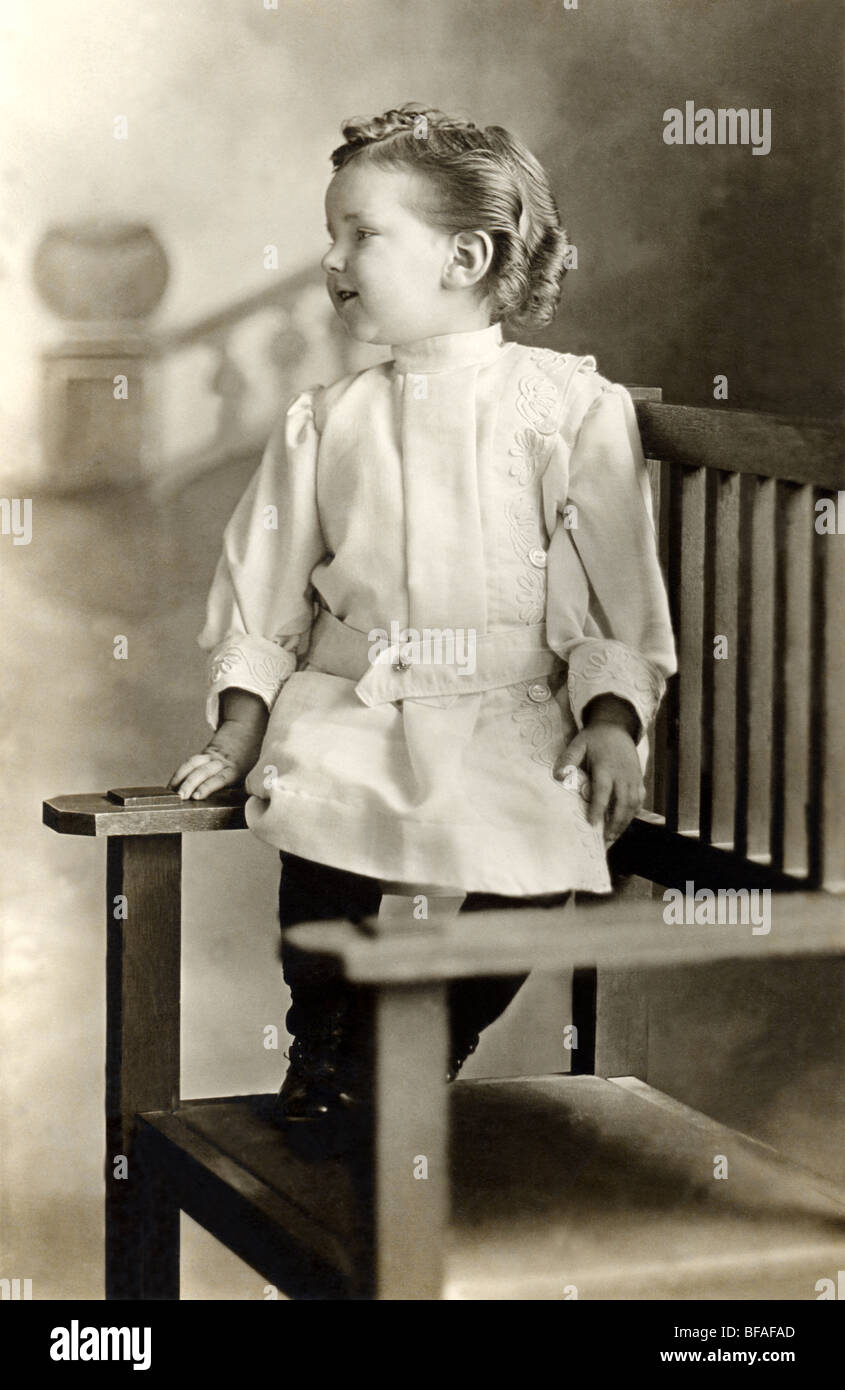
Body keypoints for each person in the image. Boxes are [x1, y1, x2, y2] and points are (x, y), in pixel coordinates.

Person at [170, 103, 677, 1128]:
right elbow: (266, 576)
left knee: (546, 854)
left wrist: (612, 719)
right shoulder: (330, 417)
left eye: (362, 233)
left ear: (465, 255)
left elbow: (615, 586)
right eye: (331, 234)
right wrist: (240, 721)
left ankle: (431, 1044)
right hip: (361, 698)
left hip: (510, 706)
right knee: (318, 823)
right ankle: (322, 1045)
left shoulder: (568, 406)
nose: (332, 259)